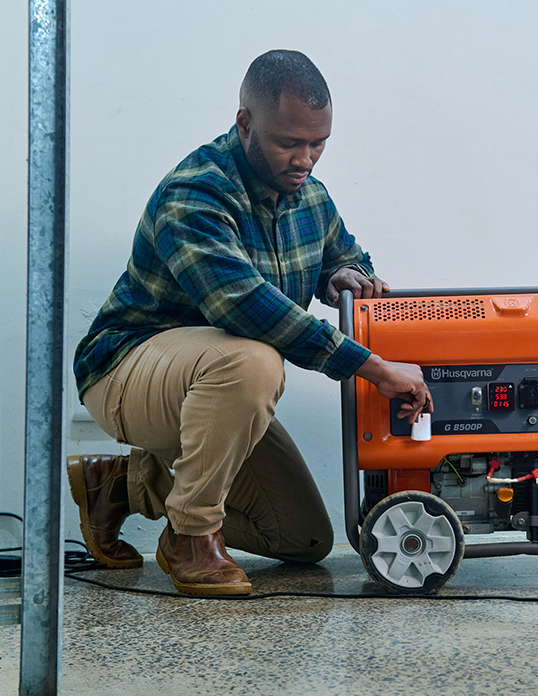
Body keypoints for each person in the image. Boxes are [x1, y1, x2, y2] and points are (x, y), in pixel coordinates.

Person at [66, 50, 432, 596]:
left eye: (318, 143)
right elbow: (242, 307)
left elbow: (347, 255)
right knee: (254, 358)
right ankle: (190, 537)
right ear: (244, 123)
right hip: (125, 370)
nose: (306, 158)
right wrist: (373, 368)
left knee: (301, 539)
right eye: (289, 142)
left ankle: (123, 486)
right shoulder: (195, 192)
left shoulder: (309, 195)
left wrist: (346, 276)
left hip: (217, 384)